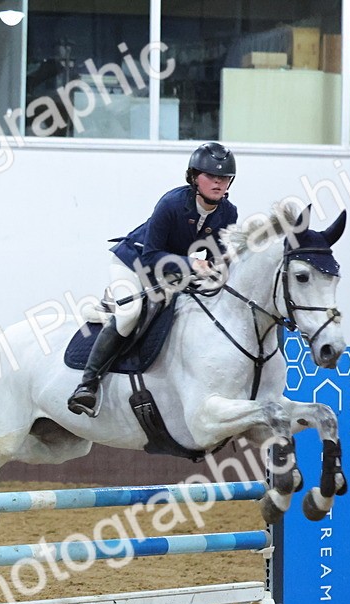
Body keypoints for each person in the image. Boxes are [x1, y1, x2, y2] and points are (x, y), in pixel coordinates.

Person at [67, 141, 239, 416]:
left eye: (224, 177)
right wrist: (192, 263)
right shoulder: (171, 203)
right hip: (134, 263)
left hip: (172, 270)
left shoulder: (228, 212)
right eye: (211, 176)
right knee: (130, 314)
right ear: (195, 177)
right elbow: (151, 256)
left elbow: (217, 256)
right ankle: (87, 385)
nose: (218, 182)